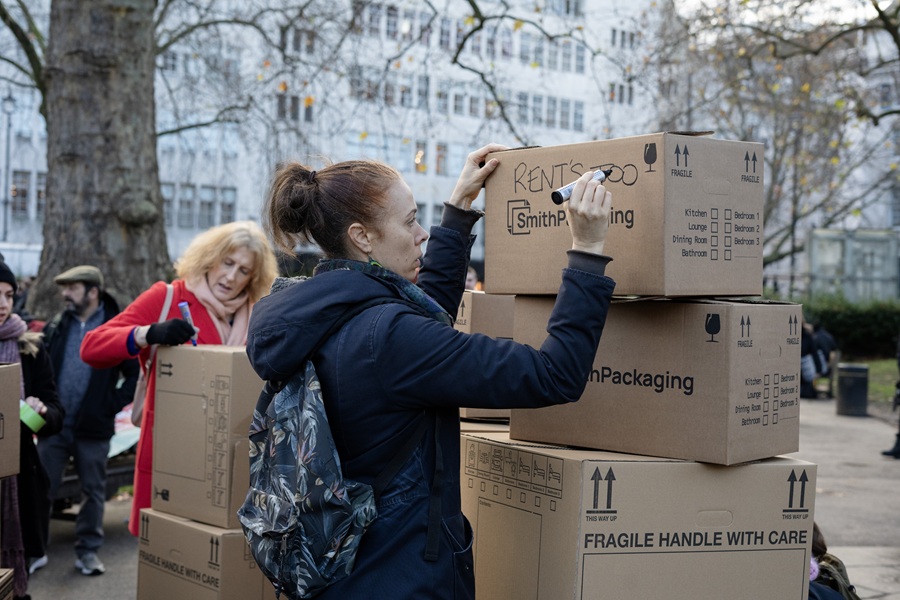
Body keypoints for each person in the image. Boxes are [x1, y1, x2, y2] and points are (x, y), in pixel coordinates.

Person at [246, 144, 616, 598]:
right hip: (402, 578)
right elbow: (554, 373)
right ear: (362, 236)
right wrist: (588, 250)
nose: (422, 233)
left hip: (346, 574)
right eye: (409, 221)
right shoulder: (391, 337)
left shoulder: (324, 312)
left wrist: (459, 211)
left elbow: (424, 322)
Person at [80, 221, 277, 536]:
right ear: (210, 259)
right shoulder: (169, 297)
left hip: (229, 459)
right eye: (227, 263)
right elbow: (91, 347)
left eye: (243, 271)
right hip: (170, 456)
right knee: (165, 555)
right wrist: (147, 334)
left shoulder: (259, 315)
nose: (231, 276)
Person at [37, 265, 140, 576]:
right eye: (64, 288)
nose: (64, 294)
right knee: (41, 488)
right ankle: (34, 551)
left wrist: (108, 405)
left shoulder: (115, 328)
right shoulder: (57, 325)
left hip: (93, 428)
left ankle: (88, 552)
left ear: (92, 291)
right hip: (54, 425)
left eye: (72, 287)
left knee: (93, 492)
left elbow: (134, 375)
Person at [0, 260, 64, 600]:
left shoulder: (31, 347)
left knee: (13, 581)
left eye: (9, 295)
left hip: (18, 483)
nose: (3, 304)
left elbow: (55, 417)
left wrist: (40, 412)